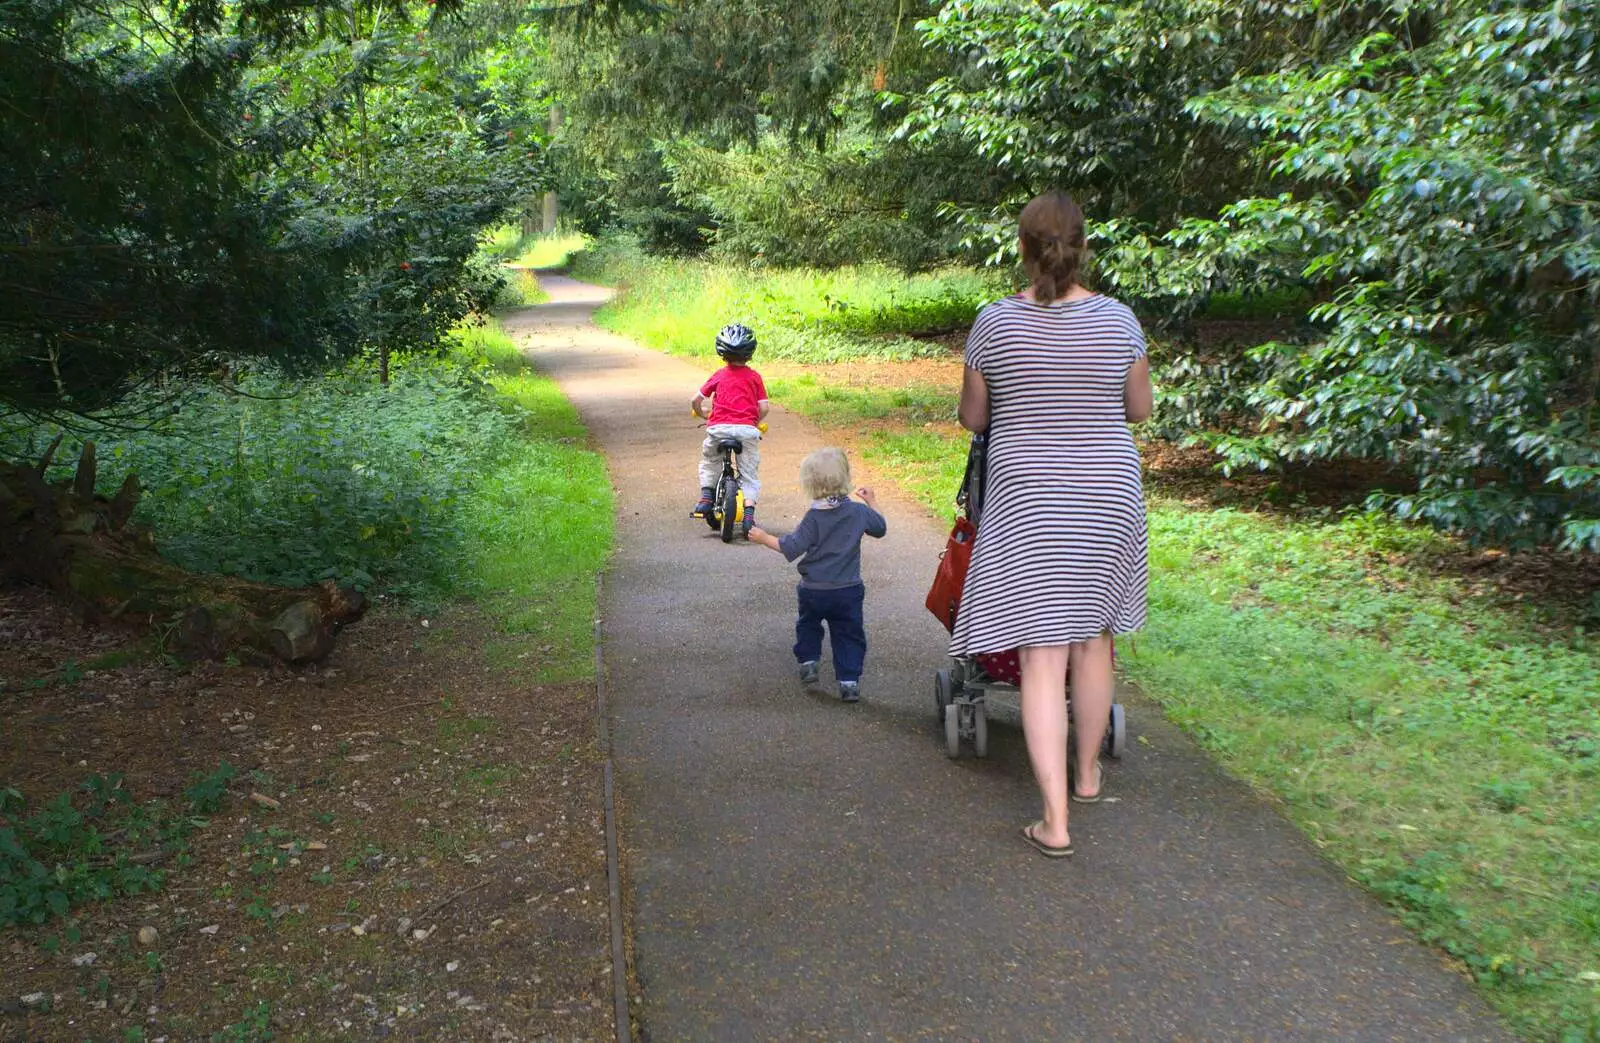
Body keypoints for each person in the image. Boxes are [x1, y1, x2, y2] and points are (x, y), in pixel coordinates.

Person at [952, 191, 1154, 859]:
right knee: (1094, 638)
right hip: (1107, 494)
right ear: (1082, 246)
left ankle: (1055, 821)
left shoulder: (994, 323)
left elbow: (975, 420)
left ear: (1023, 247)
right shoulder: (1120, 320)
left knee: (1042, 654)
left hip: (1029, 495)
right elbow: (1140, 409)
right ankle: (1088, 776)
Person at [747, 448, 887, 703]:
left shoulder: (813, 517)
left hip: (814, 589)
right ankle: (849, 681)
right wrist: (872, 501)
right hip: (848, 590)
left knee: (808, 624)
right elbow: (880, 528)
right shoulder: (858, 512)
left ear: (809, 483)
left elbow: (790, 547)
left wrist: (764, 537)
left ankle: (809, 661)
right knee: (848, 632)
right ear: (845, 477)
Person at [691, 323, 769, 536]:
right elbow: (764, 407)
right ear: (749, 354)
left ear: (722, 353)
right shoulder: (754, 377)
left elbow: (696, 400)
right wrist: (753, 421)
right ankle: (749, 515)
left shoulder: (718, 375)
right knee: (749, 473)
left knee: (710, 461)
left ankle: (706, 497)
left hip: (718, 430)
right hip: (747, 431)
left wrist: (703, 414)